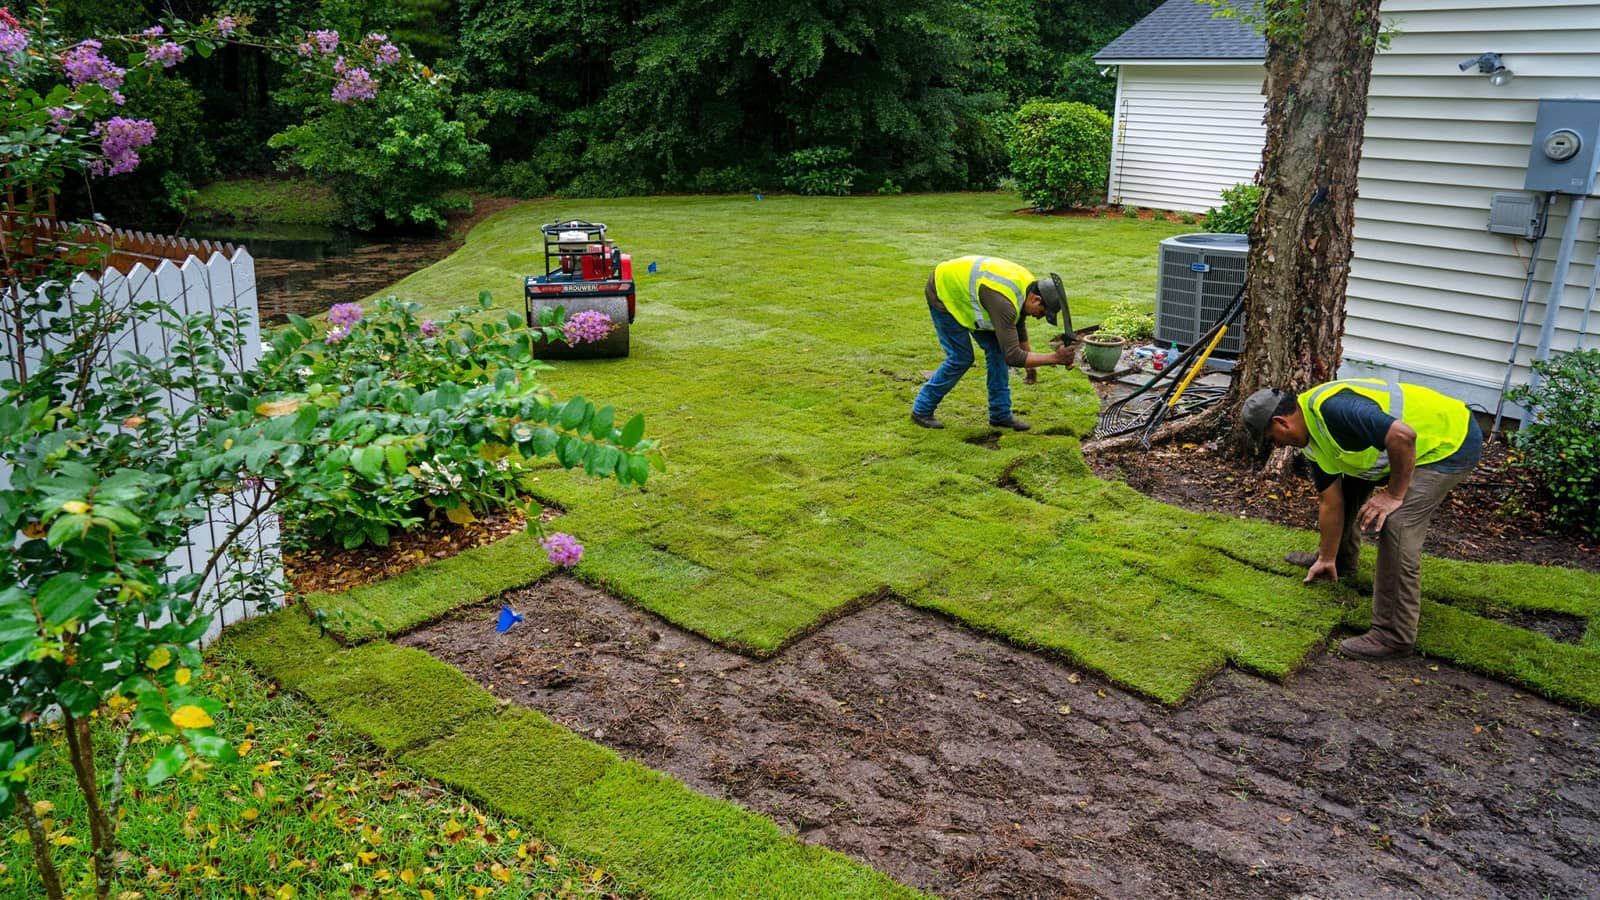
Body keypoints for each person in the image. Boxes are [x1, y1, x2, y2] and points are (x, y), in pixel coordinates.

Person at [1240, 378, 1484, 660]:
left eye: (1271, 439)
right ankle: (1340, 562)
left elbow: (1403, 436)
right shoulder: (1310, 439)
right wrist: (1327, 557)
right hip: (1399, 446)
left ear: (1282, 423)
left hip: (1449, 441)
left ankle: (1394, 635)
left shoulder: (1335, 409)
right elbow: (1331, 501)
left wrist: (1393, 494)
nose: (1276, 446)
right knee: (1349, 486)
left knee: (1398, 522)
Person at [911, 256, 1076, 431]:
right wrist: (1054, 358)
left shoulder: (1026, 287)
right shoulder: (1004, 303)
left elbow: (1018, 323)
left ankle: (1000, 415)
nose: (1039, 317)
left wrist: (1031, 367)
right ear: (1036, 299)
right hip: (944, 291)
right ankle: (922, 409)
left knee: (997, 350)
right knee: (961, 357)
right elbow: (1013, 356)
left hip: (973, 295)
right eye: (1042, 312)